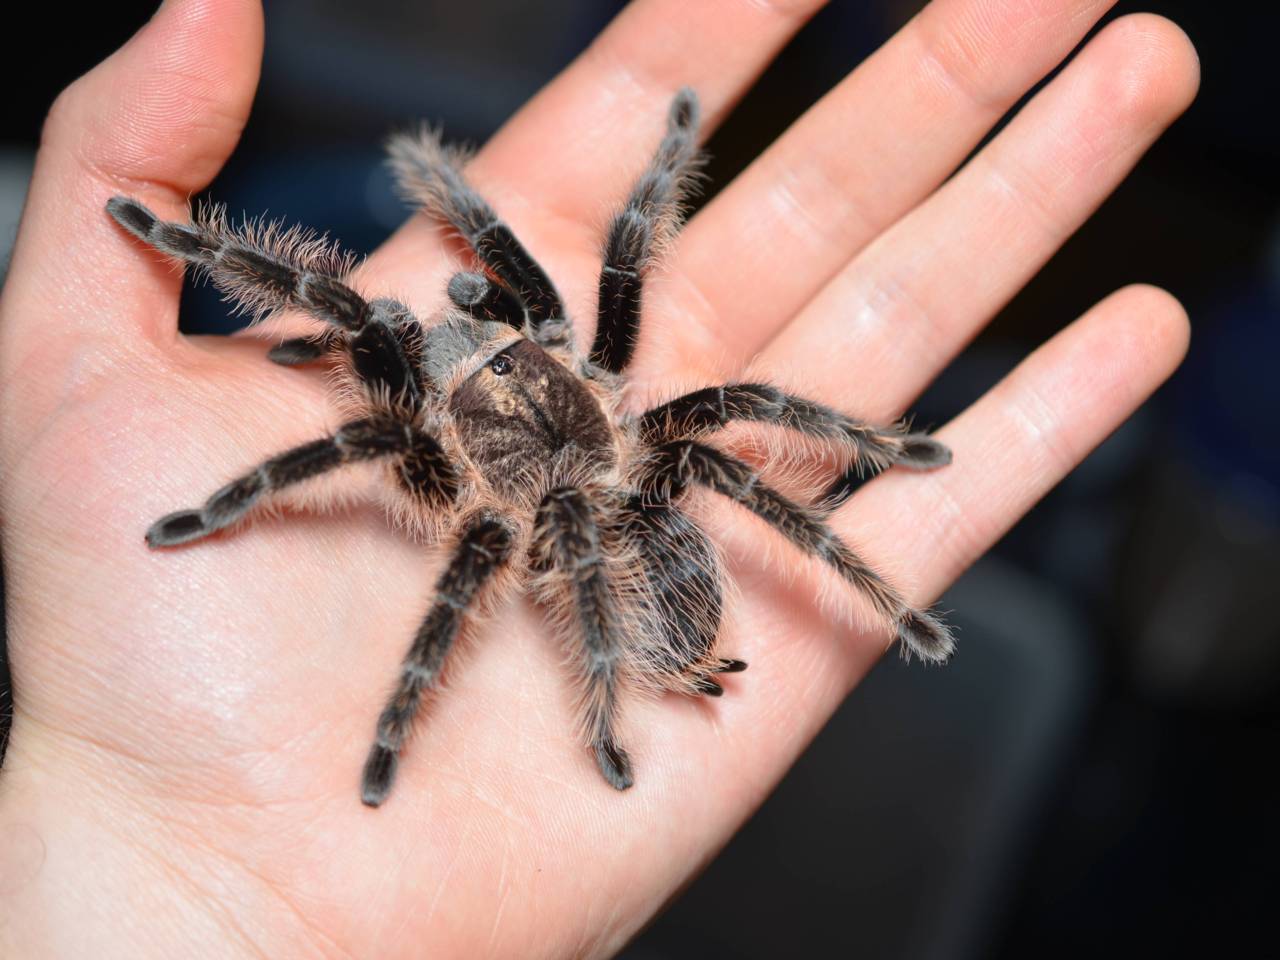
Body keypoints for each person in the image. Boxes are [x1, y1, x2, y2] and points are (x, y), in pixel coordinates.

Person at [0, 0, 1197, 955]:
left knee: (695, 427)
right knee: (643, 454)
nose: (479, 318)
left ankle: (837, 587)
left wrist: (599, 164)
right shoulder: (496, 417)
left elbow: (617, 254)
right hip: (586, 506)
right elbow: (401, 413)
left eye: (492, 313)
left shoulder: (511, 415)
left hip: (598, 504)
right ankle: (636, 679)